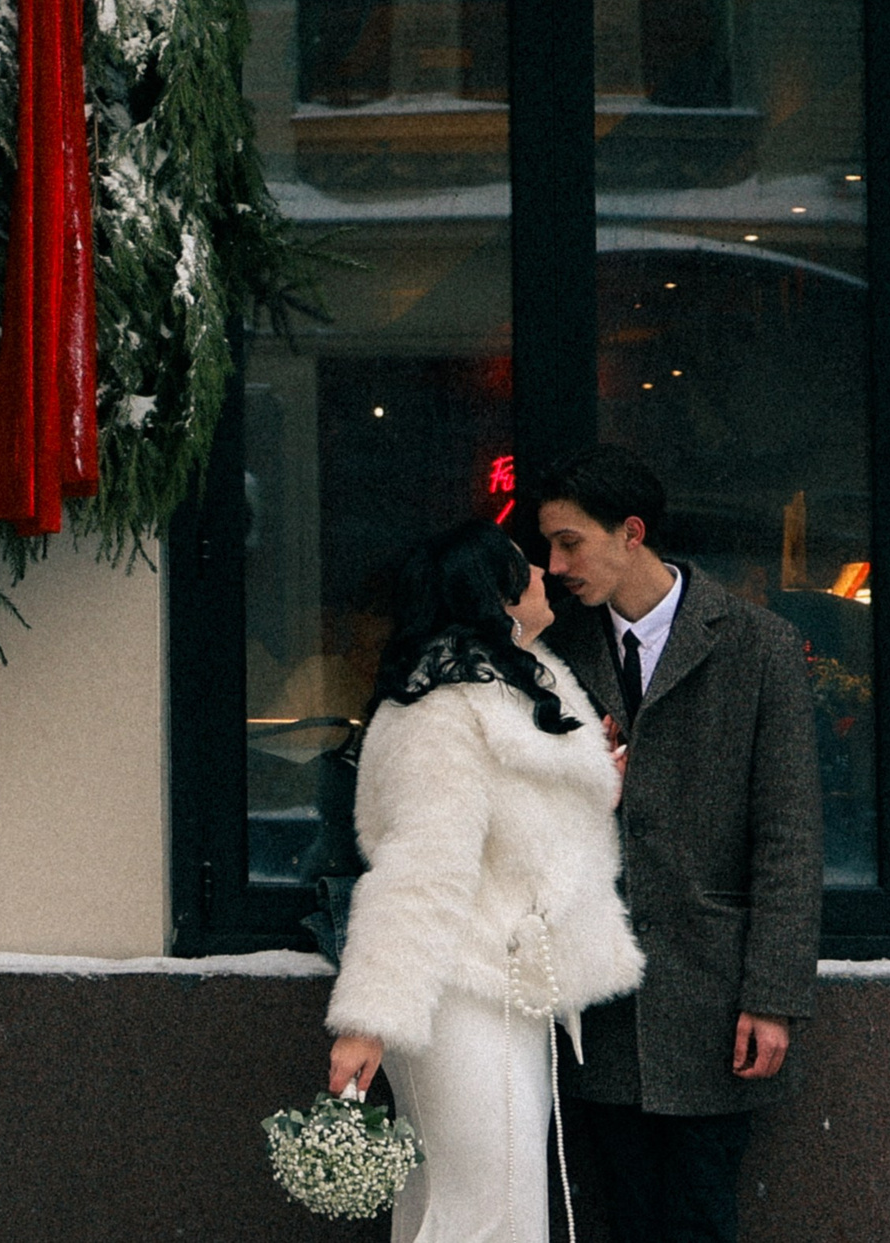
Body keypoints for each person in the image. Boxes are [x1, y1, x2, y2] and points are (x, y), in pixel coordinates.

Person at [529, 446, 823, 1243]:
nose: (555, 566)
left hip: (712, 998)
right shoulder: (556, 652)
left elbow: (789, 836)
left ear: (631, 533)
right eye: (548, 545)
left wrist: (773, 996)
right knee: (622, 1218)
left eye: (569, 542)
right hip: (599, 1002)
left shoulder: (758, 644)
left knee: (700, 1218)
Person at [325, 519, 644, 1243]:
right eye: (523, 567)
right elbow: (420, 870)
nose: (544, 572)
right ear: (494, 597)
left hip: (502, 991)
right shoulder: (443, 712)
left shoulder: (508, 690)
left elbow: (516, 833)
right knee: (484, 1213)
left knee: (477, 1209)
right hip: (457, 995)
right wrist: (369, 1017)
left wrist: (591, 785)